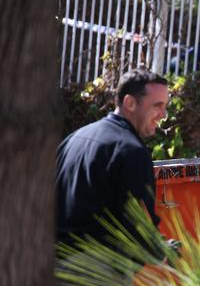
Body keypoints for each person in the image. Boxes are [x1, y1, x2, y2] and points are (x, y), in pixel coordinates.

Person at [56, 68, 169, 259]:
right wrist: (162, 251)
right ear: (130, 103)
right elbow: (139, 226)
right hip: (95, 274)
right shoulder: (131, 151)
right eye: (158, 106)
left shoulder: (74, 139)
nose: (164, 114)